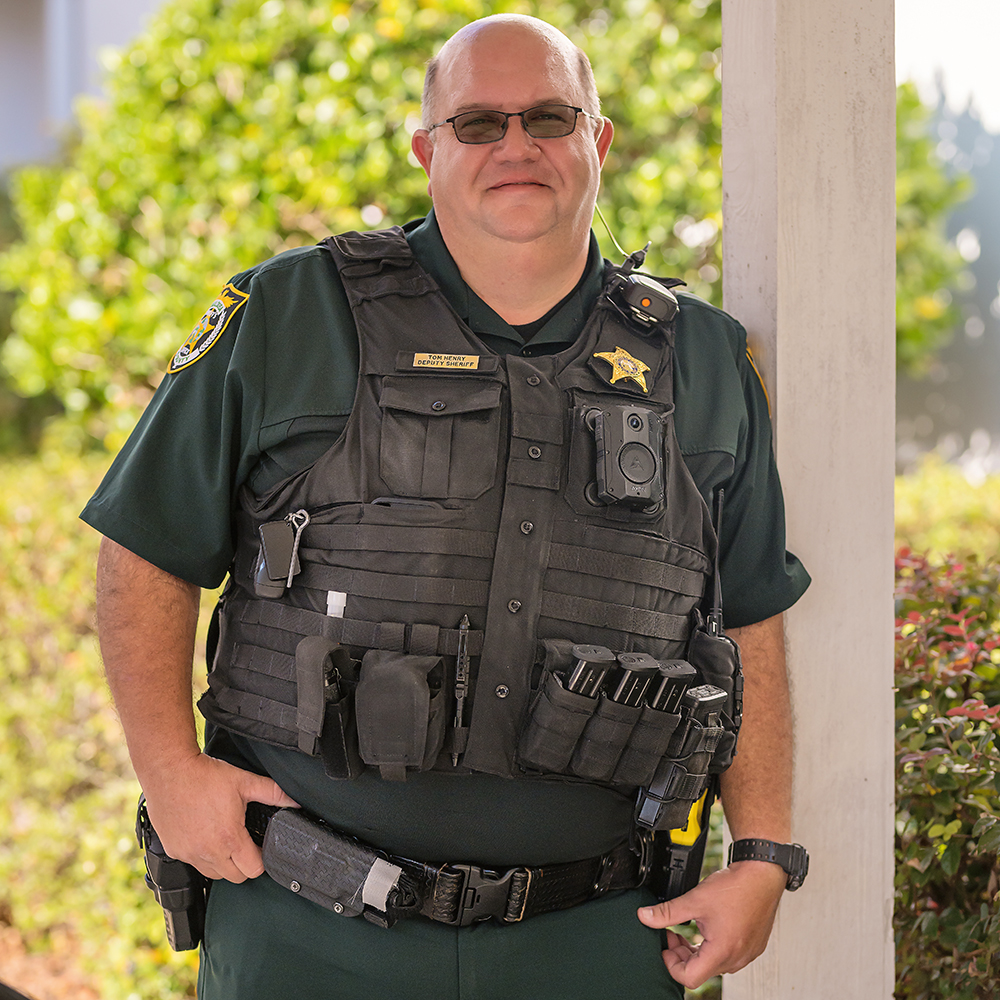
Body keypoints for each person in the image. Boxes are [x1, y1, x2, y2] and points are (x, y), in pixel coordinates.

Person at [85, 14, 810, 999]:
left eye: (549, 118)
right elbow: (144, 549)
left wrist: (763, 849)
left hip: (594, 938)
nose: (516, 146)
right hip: (308, 932)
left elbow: (749, 614)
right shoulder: (292, 314)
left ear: (596, 140)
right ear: (428, 151)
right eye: (477, 124)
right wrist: (169, 772)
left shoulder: (706, 361)